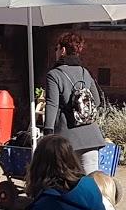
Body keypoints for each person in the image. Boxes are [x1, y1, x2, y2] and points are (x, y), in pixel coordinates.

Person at [43, 31, 105, 174]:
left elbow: (52, 104)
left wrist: (48, 132)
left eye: (56, 48)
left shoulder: (54, 74)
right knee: (92, 178)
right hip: (91, 135)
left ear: (63, 50)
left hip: (66, 137)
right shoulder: (85, 72)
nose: (56, 52)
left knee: (66, 179)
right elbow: (97, 100)